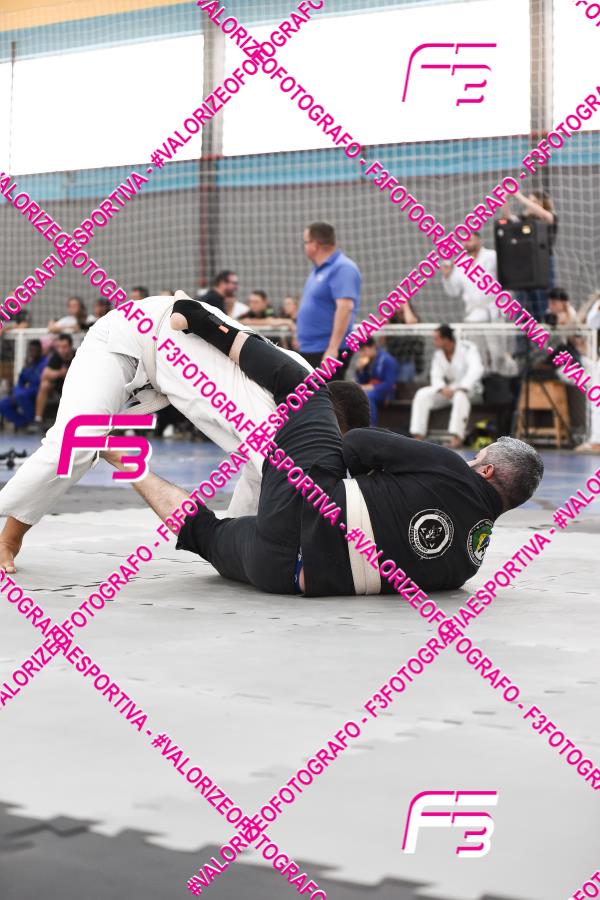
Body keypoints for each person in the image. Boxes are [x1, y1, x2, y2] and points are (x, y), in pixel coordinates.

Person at [108, 298, 544, 597]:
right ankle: (115, 454)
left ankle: (206, 324)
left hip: (305, 504)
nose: (471, 459)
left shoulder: (450, 468)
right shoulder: (467, 566)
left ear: (486, 471)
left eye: (478, 458)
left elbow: (357, 442)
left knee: (309, 390)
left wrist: (360, 470)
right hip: (286, 575)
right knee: (205, 537)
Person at [0, 292, 368, 573]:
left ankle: (9, 538)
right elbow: (291, 502)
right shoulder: (286, 414)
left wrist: (230, 543)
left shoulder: (297, 402)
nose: (325, 458)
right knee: (77, 441)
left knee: (83, 442)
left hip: (157, 370)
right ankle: (9, 539)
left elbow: (256, 487)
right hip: (128, 339)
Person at [296, 222, 361, 380]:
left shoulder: (343, 268)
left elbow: (345, 308)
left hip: (326, 350)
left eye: (305, 242)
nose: (304, 246)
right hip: (312, 348)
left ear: (315, 245)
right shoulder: (318, 270)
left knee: (327, 393)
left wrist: (333, 348)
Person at [410, 325, 484, 449]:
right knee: (422, 394)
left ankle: (457, 437)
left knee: (460, 396)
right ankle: (418, 435)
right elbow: (435, 375)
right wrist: (441, 388)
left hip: (472, 389)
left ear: (446, 339)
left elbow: (476, 369)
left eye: (436, 339)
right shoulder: (438, 354)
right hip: (451, 389)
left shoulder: (468, 348)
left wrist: (463, 387)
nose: (433, 342)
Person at [505, 190, 558, 322]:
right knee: (521, 305)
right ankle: (522, 331)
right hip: (525, 266)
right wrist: (504, 197)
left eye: (533, 201)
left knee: (542, 303)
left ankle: (542, 330)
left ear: (542, 203)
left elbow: (545, 215)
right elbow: (507, 217)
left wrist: (518, 195)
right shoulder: (524, 219)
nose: (529, 204)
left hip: (543, 265)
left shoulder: (550, 216)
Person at [441, 232, 499, 323]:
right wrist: (447, 277)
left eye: (469, 240)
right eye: (464, 241)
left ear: (479, 240)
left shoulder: (492, 256)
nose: (466, 243)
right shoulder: (460, 263)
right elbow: (454, 292)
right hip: (474, 312)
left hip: (495, 310)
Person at [0, 340, 47, 429]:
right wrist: (16, 392)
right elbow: (21, 381)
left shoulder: (45, 363)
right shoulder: (29, 364)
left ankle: (32, 422)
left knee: (20, 395)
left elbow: (40, 381)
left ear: (40, 350)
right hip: (25, 393)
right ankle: (23, 424)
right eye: (31, 350)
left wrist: (19, 393)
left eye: (35, 350)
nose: (33, 353)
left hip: (39, 391)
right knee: (3, 404)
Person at [355, 338, 401, 424]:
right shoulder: (368, 361)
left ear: (372, 347)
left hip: (386, 393)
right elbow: (362, 382)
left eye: (364, 350)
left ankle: (370, 427)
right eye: (360, 351)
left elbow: (389, 384)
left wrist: (370, 387)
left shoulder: (387, 360)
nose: (362, 354)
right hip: (371, 391)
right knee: (357, 395)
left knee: (367, 397)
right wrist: (360, 370)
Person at [384, 301, 424, 383]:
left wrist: (405, 305)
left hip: (407, 360)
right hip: (392, 359)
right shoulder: (391, 319)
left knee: (404, 385)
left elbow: (411, 323)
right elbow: (382, 342)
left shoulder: (413, 317)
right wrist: (385, 326)